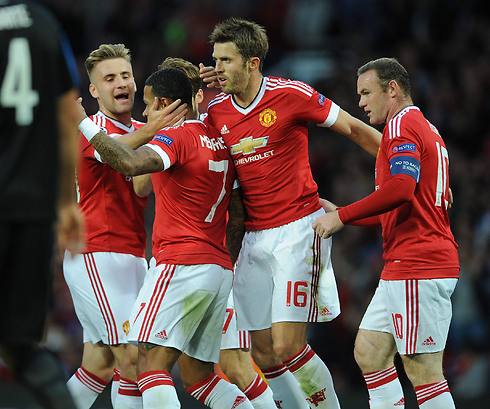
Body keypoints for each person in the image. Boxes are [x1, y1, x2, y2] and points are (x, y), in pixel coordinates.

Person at [201, 18, 381, 409]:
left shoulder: (290, 94)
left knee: (288, 346)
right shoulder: (215, 112)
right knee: (263, 353)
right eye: (215, 60)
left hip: (298, 229)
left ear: (252, 63)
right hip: (253, 239)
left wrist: (404, 164)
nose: (217, 68)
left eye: (226, 60)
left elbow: (353, 128)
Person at [77, 67, 255, 409]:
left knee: (147, 363)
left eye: (148, 104)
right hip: (218, 269)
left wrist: (84, 124)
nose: (145, 113)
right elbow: (238, 215)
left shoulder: (176, 137)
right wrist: (223, 263)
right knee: (200, 377)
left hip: (180, 264)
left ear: (162, 103)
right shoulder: (219, 141)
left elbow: (130, 165)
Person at [312, 57, 459, 409]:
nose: (361, 102)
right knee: (370, 351)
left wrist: (342, 217)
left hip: (418, 264)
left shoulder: (401, 125)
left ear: (392, 89)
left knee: (423, 371)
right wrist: (345, 214)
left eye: (366, 93)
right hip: (405, 264)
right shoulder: (426, 128)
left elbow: (401, 189)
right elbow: (400, 204)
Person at [63, 43, 185, 409]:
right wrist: (154, 129)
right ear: (94, 90)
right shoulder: (89, 129)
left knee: (98, 366)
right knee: (134, 361)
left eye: (126, 76)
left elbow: (141, 185)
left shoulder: (142, 129)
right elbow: (117, 153)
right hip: (96, 254)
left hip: (132, 256)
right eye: (109, 78)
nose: (120, 84)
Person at [158, 57, 276, 409]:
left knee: (235, 364)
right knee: (201, 374)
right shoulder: (218, 132)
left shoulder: (194, 135)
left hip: (209, 260)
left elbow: (140, 186)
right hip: (222, 260)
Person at [0, 1, 83, 408]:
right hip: (33, 210)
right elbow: (68, 116)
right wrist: (67, 203)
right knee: (22, 346)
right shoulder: (43, 24)